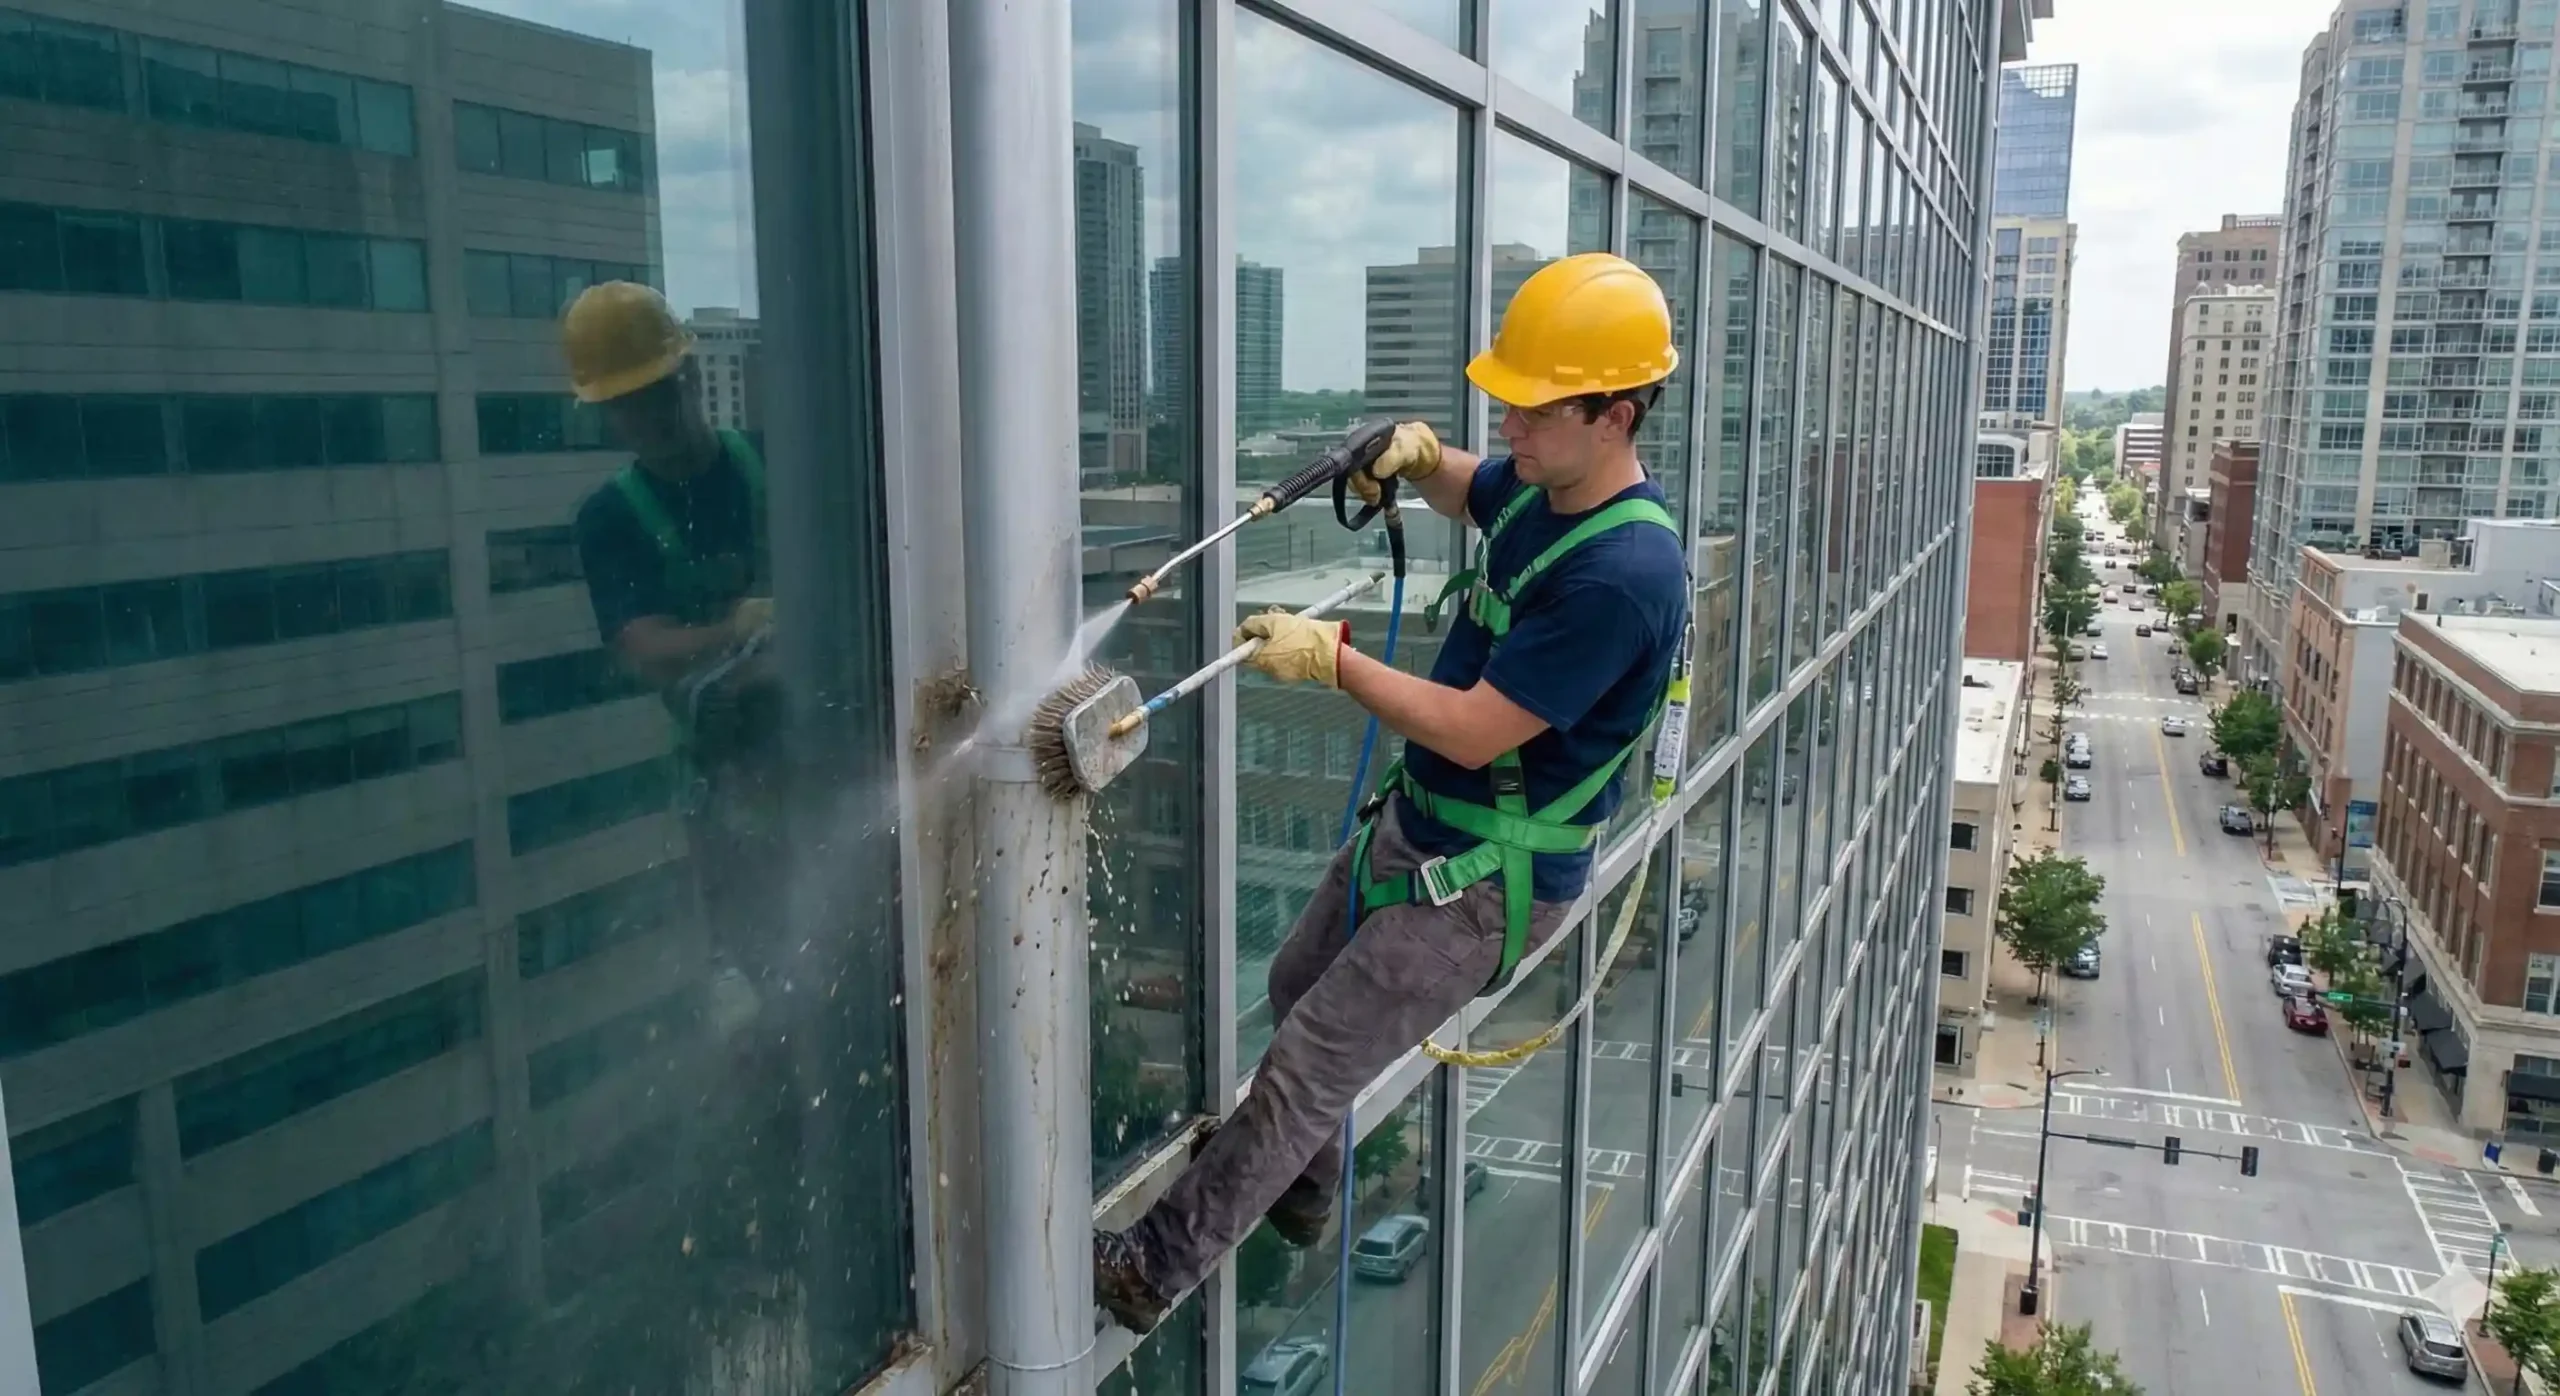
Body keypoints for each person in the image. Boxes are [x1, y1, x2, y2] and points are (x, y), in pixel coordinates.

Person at [1092, 252, 1692, 1332]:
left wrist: (1332, 663)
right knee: (1291, 984)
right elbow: (1479, 488)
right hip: (1426, 828)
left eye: (1531, 407)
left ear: (1616, 413)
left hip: (1482, 879)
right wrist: (1420, 458)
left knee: (1304, 1067)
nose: (1506, 424)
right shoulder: (1551, 488)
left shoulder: (1625, 577)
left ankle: (1152, 1268)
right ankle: (1304, 1187)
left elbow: (1473, 725)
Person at [563, 281, 782, 1025]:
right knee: (769, 952)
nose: (647, 418)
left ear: (688, 377)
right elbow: (642, 649)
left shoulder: (767, 459)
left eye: (658, 394)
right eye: (627, 406)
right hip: (729, 772)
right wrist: (734, 631)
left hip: (820, 723)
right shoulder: (610, 519)